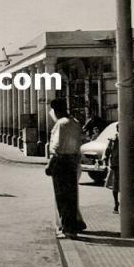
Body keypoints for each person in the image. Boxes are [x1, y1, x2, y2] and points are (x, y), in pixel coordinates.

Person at [45, 98, 87, 239]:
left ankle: (66, 229)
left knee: (61, 197)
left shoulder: (60, 124)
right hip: (73, 162)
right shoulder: (75, 123)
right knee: (72, 196)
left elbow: (56, 148)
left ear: (56, 111)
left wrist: (49, 165)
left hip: (61, 162)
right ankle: (73, 228)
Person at [104, 126, 121, 214]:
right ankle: (116, 203)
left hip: (120, 164)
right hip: (116, 164)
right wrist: (106, 159)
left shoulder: (127, 137)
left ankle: (118, 203)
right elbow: (108, 150)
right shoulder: (113, 139)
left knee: (119, 185)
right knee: (115, 185)